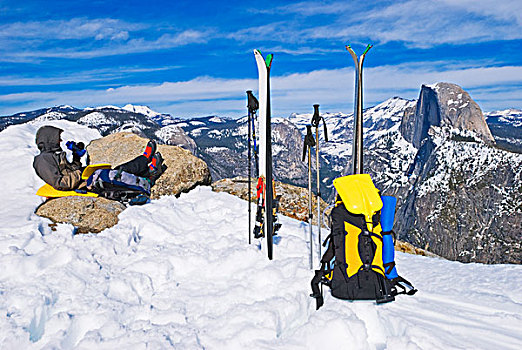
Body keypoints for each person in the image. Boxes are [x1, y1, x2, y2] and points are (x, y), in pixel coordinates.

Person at [33, 125, 165, 191]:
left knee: (117, 170)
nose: (60, 140)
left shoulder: (53, 156)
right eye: (57, 138)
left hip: (83, 180)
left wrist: (76, 157)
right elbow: (61, 183)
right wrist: (81, 173)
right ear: (49, 140)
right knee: (113, 175)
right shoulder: (42, 160)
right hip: (82, 185)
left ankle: (145, 162)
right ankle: (148, 174)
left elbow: (69, 171)